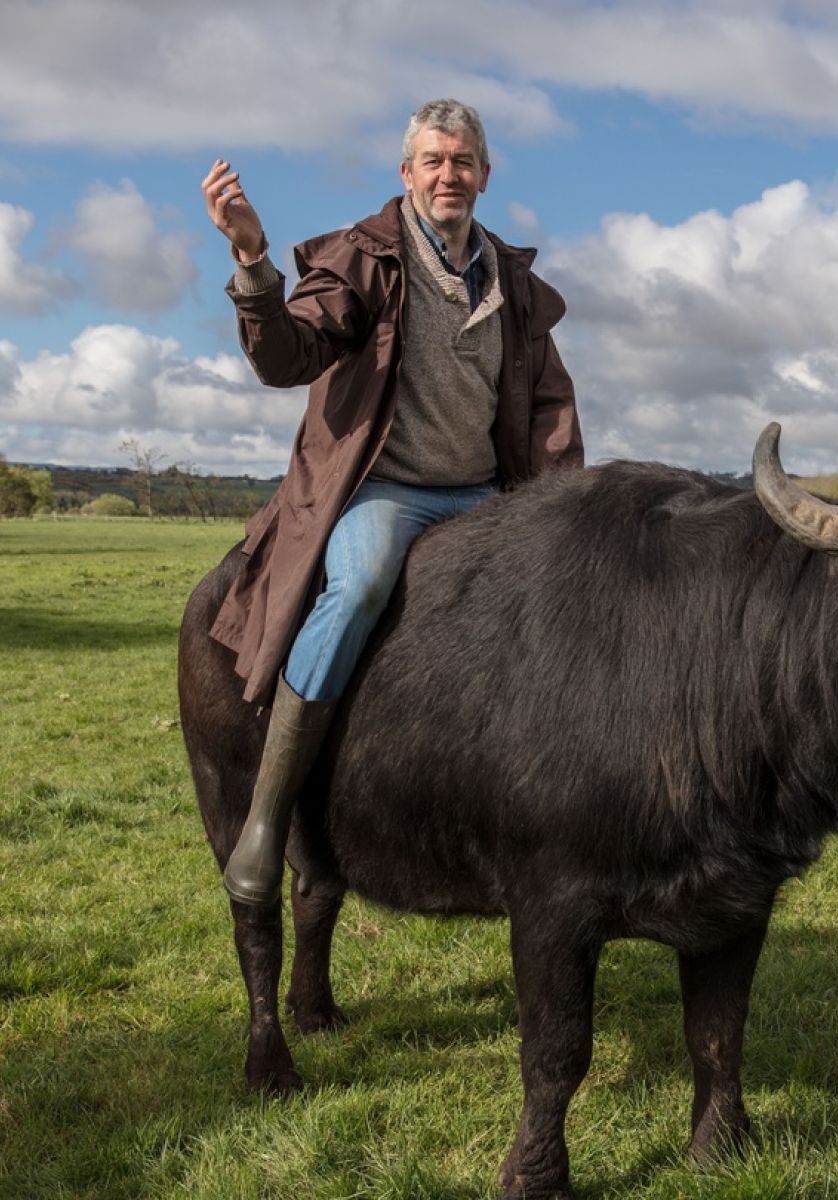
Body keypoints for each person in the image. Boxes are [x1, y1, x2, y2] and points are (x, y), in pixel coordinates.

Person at [200, 99, 584, 907]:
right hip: (388, 491)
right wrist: (252, 258)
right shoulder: (365, 258)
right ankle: (268, 821)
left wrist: (558, 512)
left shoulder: (510, 279)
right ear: (407, 174)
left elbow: (549, 405)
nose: (451, 174)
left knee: (563, 613)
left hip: (484, 497)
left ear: (485, 174)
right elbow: (286, 356)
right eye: (435, 161)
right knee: (362, 585)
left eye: (464, 161)